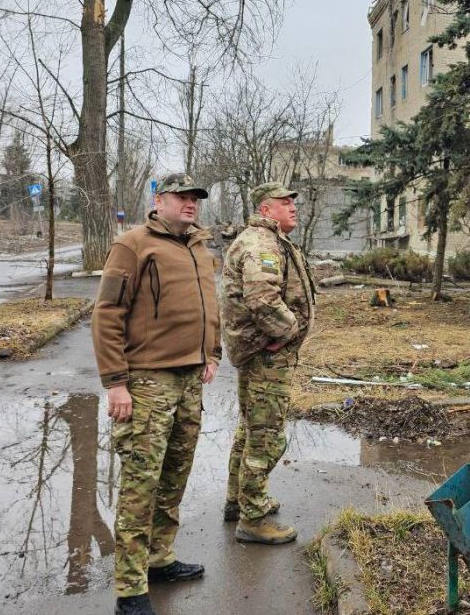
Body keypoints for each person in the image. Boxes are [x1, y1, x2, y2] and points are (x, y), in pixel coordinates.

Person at [92, 173, 221, 615]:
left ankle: (160, 559)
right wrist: (116, 382)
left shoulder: (199, 247)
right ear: (159, 200)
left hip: (189, 380)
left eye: (195, 199)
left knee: (173, 477)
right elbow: (107, 313)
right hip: (147, 381)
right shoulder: (134, 244)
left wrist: (212, 352)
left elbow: (209, 305)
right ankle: (130, 589)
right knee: (140, 486)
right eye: (181, 197)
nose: (190, 204)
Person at [220, 182, 315, 544]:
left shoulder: (267, 240)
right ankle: (253, 518)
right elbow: (262, 300)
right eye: (284, 201)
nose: (293, 206)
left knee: (249, 430)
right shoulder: (261, 244)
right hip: (266, 354)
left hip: (260, 351)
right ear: (265, 209)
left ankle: (238, 500)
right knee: (266, 436)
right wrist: (288, 332)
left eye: (293, 201)